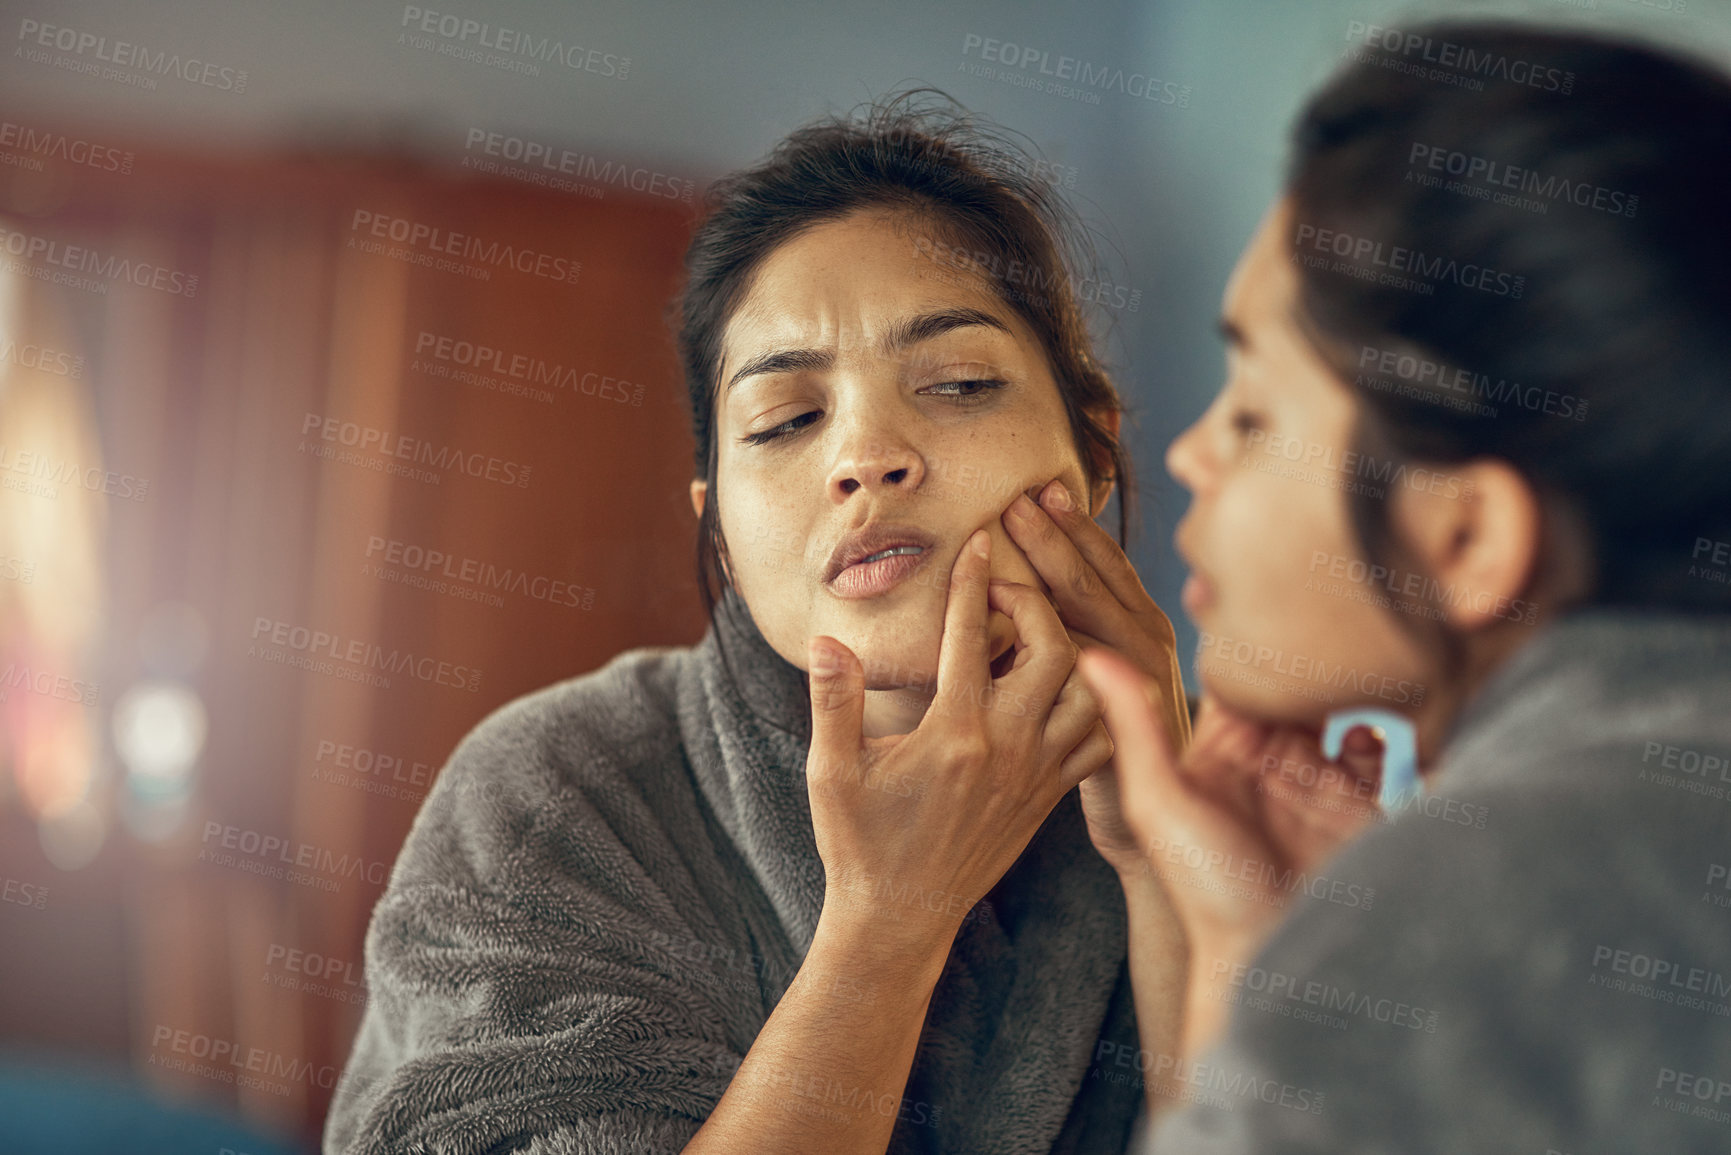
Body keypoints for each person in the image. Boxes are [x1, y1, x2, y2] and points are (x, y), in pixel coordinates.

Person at [323, 95, 1194, 1155]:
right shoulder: (560, 792)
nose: (866, 456)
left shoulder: (1241, 809)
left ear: (1091, 461)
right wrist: (889, 927)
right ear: (721, 533)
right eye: (786, 420)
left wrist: (1168, 857)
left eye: (961, 383)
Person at [1076, 22, 1731, 1153]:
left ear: (1468, 536)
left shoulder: (1483, 903)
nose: (1185, 455)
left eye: (1251, 412)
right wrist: (1253, 953)